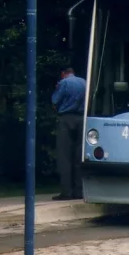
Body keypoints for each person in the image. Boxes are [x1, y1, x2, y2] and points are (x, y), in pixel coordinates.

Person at [51, 67, 87, 200]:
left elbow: (55, 102)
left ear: (63, 73)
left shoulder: (63, 83)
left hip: (66, 118)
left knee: (65, 156)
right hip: (82, 119)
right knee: (79, 156)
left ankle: (66, 192)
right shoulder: (84, 82)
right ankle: (79, 191)